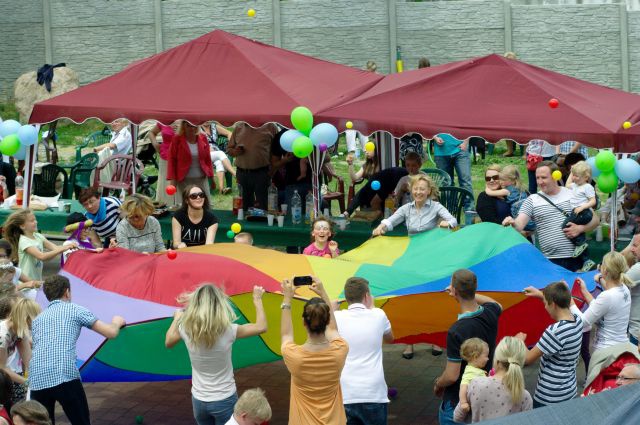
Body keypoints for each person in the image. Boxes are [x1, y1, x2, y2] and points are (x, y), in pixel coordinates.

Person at [29, 275, 126, 425]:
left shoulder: (38, 319)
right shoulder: (75, 310)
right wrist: (117, 322)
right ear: (67, 292)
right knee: (81, 421)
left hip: (36, 378)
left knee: (43, 423)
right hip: (63, 374)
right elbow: (110, 333)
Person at [165, 284, 267, 425]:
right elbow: (261, 327)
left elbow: (168, 341)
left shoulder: (186, 329)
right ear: (219, 305)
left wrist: (177, 318)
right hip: (224, 398)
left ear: (196, 304)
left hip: (199, 400)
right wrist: (257, 299)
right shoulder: (228, 330)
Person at [502, 161, 600, 272]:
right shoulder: (532, 200)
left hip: (577, 260)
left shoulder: (572, 193)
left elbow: (595, 220)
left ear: (555, 176)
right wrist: (512, 222)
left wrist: (580, 229)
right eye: (537, 178)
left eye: (543, 177)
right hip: (550, 261)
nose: (540, 182)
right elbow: (519, 225)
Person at [433, 269, 502, 425]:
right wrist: (467, 292)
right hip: (483, 395)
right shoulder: (491, 314)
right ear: (475, 289)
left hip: (458, 401)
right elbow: (496, 303)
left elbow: (451, 376)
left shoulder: (456, 330)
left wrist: (438, 383)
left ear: (454, 291)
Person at [280, 276, 348, 424]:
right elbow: (333, 329)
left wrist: (287, 299)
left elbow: (286, 335)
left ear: (304, 322)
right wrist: (323, 293)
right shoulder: (340, 350)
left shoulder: (294, 356)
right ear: (326, 320)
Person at [333, 277, 393, 425]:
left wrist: (332, 309)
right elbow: (390, 338)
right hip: (373, 393)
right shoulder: (378, 315)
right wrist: (372, 308)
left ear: (346, 298)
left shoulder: (336, 317)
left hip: (346, 393)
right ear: (366, 296)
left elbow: (327, 330)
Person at [518, 281, 583, 407]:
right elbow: (563, 302)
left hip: (550, 395)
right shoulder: (578, 319)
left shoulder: (555, 331)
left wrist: (520, 341)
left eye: (546, 303)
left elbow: (527, 359)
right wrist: (541, 295)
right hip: (569, 390)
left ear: (552, 304)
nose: (545, 307)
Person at [453, 336, 532, 423]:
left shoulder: (476, 384)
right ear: (520, 363)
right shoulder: (525, 397)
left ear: (497, 360)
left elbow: (457, 417)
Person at [571, 252, 631, 355]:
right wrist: (585, 291)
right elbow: (599, 307)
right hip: (621, 348)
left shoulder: (607, 296)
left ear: (605, 271)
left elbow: (583, 322)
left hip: (606, 352)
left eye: (602, 264)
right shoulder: (624, 289)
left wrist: (569, 301)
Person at [3, 210, 76, 282]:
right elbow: (42, 256)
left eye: (35, 220)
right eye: (32, 221)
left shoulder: (38, 236)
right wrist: (63, 248)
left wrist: (69, 246)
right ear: (22, 226)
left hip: (36, 280)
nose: (36, 222)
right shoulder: (24, 241)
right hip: (25, 282)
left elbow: (55, 248)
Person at [373, 175, 457, 237]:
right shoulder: (406, 208)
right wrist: (380, 227)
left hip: (430, 247)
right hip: (412, 249)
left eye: (422, 189)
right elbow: (390, 221)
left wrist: (448, 224)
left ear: (428, 191)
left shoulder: (436, 206)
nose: (418, 192)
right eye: (415, 189)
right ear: (411, 190)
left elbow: (453, 221)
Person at [227, 122, 278, 211]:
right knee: (244, 206)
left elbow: (277, 151)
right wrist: (236, 151)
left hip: (262, 173)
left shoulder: (270, 127)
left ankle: (263, 224)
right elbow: (229, 149)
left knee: (264, 205)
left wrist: (272, 171)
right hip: (242, 173)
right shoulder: (239, 127)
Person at [0, 298, 40, 405]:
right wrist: (28, 382)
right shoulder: (2, 334)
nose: (33, 327)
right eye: (32, 323)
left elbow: (30, 363)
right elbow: (2, 368)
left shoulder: (19, 331)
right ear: (25, 319)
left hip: (7, 375)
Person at [167, 121, 214, 204]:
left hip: (201, 180)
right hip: (184, 180)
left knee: (203, 205)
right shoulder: (177, 139)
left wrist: (212, 177)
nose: (191, 128)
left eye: (194, 126)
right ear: (183, 126)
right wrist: (172, 183)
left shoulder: (203, 137)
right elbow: (172, 161)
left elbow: (208, 159)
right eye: (188, 126)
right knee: (186, 206)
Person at [564, 161, 597, 261]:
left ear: (586, 177)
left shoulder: (587, 187)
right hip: (578, 212)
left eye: (576, 176)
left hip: (583, 212)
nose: (574, 178)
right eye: (573, 175)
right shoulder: (575, 185)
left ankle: (580, 244)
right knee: (577, 232)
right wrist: (571, 172)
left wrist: (583, 207)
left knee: (565, 226)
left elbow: (593, 201)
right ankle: (586, 260)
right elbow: (567, 185)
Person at [432, 133, 474, 211]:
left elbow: (469, 124)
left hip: (460, 149)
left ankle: (469, 209)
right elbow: (429, 127)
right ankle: (451, 208)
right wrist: (435, 137)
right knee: (446, 183)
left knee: (465, 180)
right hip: (441, 152)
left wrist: (466, 142)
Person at [485, 165, 534, 232]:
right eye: (500, 179)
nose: (501, 182)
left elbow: (490, 193)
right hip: (528, 215)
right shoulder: (520, 189)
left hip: (519, 215)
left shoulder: (507, 191)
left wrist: (487, 187)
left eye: (504, 180)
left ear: (513, 181)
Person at [145, 120, 179, 204]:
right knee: (165, 183)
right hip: (165, 157)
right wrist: (155, 144)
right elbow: (151, 133)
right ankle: (165, 206)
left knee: (179, 185)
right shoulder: (163, 120)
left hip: (181, 158)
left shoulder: (184, 121)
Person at [200, 122, 236, 195]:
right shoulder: (198, 128)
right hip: (204, 154)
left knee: (219, 162)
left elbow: (229, 133)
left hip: (215, 154)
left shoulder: (214, 127)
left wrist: (230, 144)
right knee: (221, 153)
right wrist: (207, 147)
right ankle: (235, 174)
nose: (207, 120)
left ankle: (221, 189)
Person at [457, 338, 489, 415]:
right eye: (486, 356)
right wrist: (463, 402)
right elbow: (463, 386)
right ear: (475, 357)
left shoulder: (475, 370)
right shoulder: (470, 372)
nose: (488, 359)